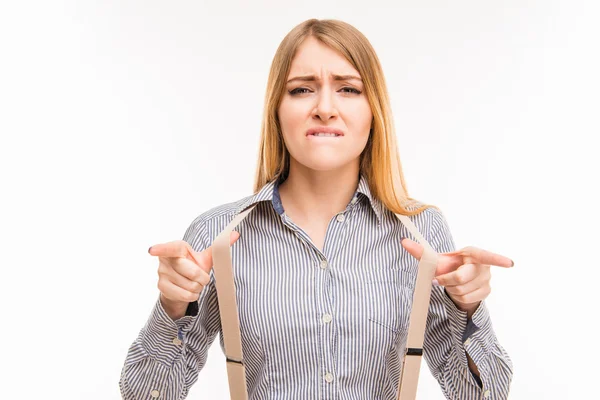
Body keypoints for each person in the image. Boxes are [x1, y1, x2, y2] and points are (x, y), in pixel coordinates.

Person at [119, 18, 513, 400]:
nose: (325, 107)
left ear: (374, 111)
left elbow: (482, 396)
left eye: (348, 89)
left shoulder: (420, 231)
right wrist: (172, 309)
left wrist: (469, 308)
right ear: (277, 109)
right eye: (302, 90)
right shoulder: (216, 235)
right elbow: (142, 397)